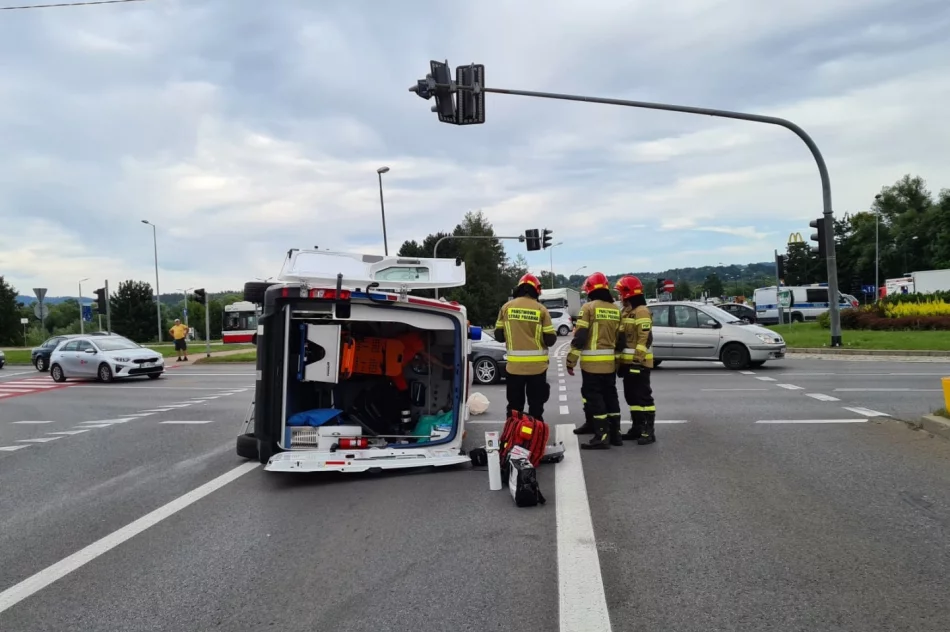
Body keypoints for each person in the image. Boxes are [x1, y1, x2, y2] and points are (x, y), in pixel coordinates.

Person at [566, 272, 623, 449]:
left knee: (594, 398)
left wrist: (571, 360)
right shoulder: (615, 309)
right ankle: (615, 434)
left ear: (589, 290)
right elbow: (620, 341)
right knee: (611, 397)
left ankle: (601, 436)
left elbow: (581, 336)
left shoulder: (589, 308)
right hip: (609, 364)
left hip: (592, 364)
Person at [494, 274, 557, 421]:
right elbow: (550, 339)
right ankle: (534, 438)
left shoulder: (506, 308)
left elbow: (498, 336)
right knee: (536, 407)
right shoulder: (541, 309)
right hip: (537, 368)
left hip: (514, 367)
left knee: (515, 407)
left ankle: (514, 436)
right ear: (535, 290)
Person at [615, 276, 657, 445]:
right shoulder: (625, 311)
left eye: (620, 293)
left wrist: (637, 362)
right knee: (631, 397)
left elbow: (644, 339)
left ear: (628, 293)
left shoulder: (641, 311)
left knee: (643, 397)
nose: (619, 296)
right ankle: (637, 428)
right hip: (627, 363)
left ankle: (648, 431)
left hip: (639, 363)